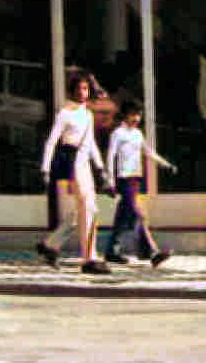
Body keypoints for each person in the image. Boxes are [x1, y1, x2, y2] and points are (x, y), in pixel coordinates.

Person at [38, 68, 112, 275]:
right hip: (73, 164)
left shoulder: (87, 114)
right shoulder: (65, 113)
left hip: (85, 163)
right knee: (88, 207)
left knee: (84, 209)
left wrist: (100, 169)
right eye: (79, 88)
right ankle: (89, 258)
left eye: (85, 88)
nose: (82, 92)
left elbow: (91, 144)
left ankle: (50, 244)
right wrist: (45, 169)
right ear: (72, 90)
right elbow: (51, 142)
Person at [105, 100, 176, 266]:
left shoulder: (137, 134)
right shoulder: (118, 133)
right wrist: (110, 181)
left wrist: (165, 164)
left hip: (136, 178)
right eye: (133, 115)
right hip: (124, 178)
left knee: (123, 216)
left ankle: (111, 251)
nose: (136, 118)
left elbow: (148, 151)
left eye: (138, 115)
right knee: (137, 215)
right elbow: (110, 156)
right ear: (125, 115)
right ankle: (151, 252)